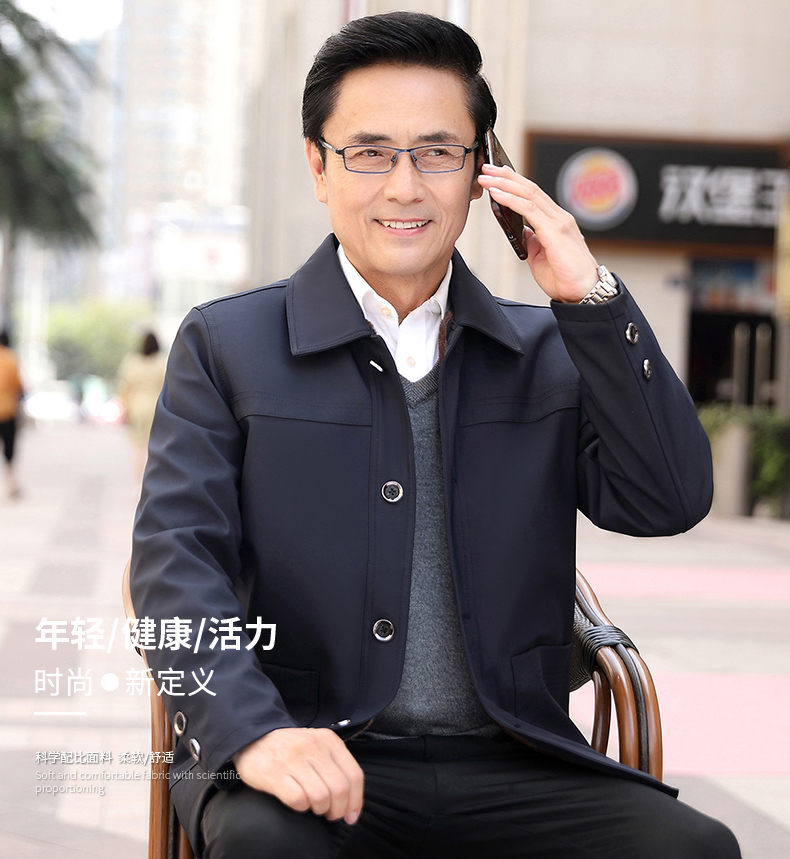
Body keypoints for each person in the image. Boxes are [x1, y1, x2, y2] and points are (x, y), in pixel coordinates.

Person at [130, 12, 740, 858]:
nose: (405, 186)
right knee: (271, 846)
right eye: (369, 152)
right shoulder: (228, 344)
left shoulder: (548, 350)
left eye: (437, 152)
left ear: (482, 171)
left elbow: (668, 499)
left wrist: (591, 298)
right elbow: (175, 563)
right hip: (306, 745)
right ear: (318, 166)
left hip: (514, 758)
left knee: (693, 847)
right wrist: (253, 731)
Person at [117, 331, 167, 479]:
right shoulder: (161, 363)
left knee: (138, 447)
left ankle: (139, 482)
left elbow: (125, 388)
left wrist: (125, 408)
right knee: (155, 447)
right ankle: (152, 481)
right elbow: (167, 388)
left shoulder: (133, 363)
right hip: (155, 408)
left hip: (136, 407)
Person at [0, 329, 23, 499]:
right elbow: (19, 386)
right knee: (9, 450)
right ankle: (11, 485)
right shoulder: (11, 359)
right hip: (7, 412)